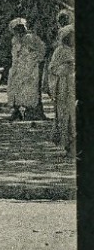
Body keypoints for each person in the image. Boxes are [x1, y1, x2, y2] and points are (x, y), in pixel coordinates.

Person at [6, 17, 46, 121]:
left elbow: (41, 51)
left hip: (30, 68)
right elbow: (15, 55)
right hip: (18, 68)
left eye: (21, 28)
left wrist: (33, 58)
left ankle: (32, 111)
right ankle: (17, 110)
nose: (19, 32)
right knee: (15, 89)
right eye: (16, 29)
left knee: (30, 90)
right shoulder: (14, 40)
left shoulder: (31, 38)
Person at [47, 26, 75, 154]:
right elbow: (52, 68)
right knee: (65, 113)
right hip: (64, 85)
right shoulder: (60, 51)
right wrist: (65, 68)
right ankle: (68, 143)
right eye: (70, 37)